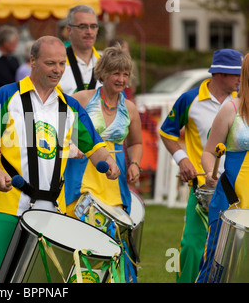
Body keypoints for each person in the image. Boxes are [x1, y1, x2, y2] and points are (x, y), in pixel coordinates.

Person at [0, 35, 120, 283]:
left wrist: (109, 163)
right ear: (32, 61)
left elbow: (95, 147)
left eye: (62, 64)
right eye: (50, 63)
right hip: (9, 204)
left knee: (45, 279)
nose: (58, 70)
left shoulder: (70, 106)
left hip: (53, 208)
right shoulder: (7, 95)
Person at [159, 49, 242, 283]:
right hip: (203, 188)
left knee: (233, 250)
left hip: (238, 187)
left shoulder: (241, 102)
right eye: (234, 73)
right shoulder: (190, 99)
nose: (239, 78)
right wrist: (181, 159)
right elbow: (167, 132)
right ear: (218, 73)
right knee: (192, 247)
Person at [62, 45, 143, 281]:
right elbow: (60, 134)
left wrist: (134, 164)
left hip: (114, 184)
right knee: (80, 245)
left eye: (125, 74)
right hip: (82, 177)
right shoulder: (81, 99)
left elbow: (136, 143)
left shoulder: (130, 108)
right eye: (116, 73)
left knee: (115, 244)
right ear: (103, 73)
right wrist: (72, 146)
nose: (121, 79)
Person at [196, 52, 249, 283]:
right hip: (231, 196)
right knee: (217, 264)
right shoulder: (231, 109)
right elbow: (208, 152)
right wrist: (210, 172)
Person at [58, 5, 101, 96]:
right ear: (69, 30)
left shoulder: (107, 64)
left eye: (93, 26)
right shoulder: (56, 64)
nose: (89, 31)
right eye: (82, 26)